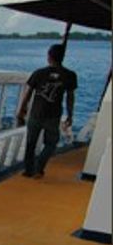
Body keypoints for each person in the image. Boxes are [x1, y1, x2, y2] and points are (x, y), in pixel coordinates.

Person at [16, 43, 77, 179]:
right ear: (62, 57)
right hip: (53, 115)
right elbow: (70, 97)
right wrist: (70, 114)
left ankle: (28, 170)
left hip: (36, 113)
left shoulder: (39, 73)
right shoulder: (69, 75)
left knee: (30, 144)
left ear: (49, 56)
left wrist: (21, 110)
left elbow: (28, 93)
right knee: (51, 144)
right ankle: (39, 167)